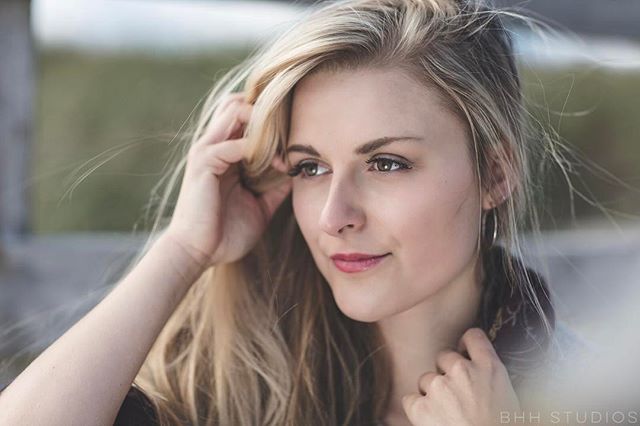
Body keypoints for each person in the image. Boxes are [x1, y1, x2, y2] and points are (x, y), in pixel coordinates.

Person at [0, 0, 589, 424]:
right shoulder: (234, 383)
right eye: (309, 167)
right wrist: (182, 251)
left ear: (495, 173)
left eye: (386, 163)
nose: (335, 215)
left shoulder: (590, 395)